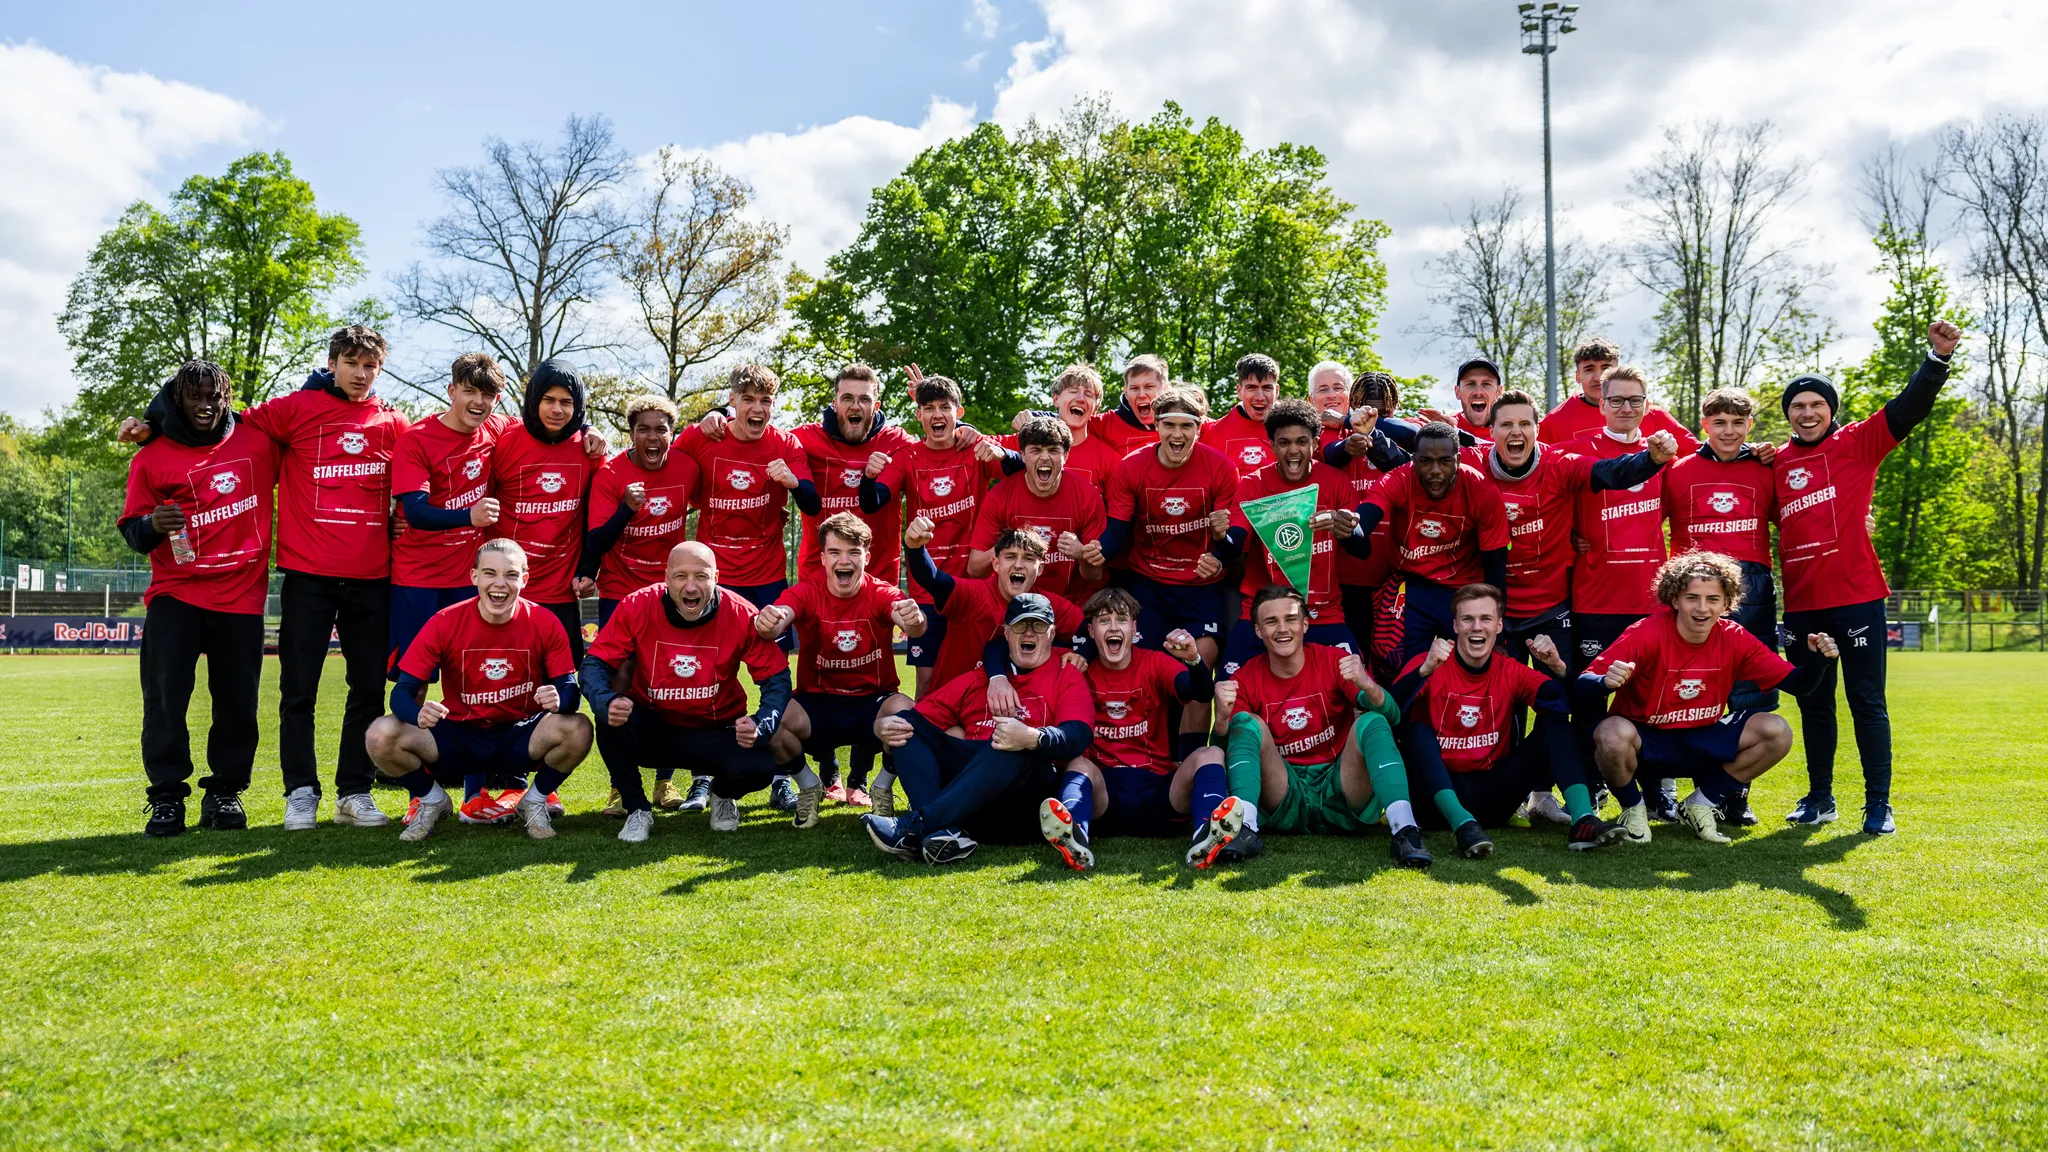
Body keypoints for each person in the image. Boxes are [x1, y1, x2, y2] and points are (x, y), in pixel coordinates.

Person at [124, 326, 413, 830]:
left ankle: (346, 793)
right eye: (351, 363)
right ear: (333, 363)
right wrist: (152, 424)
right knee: (283, 692)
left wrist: (404, 514)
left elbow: (428, 463)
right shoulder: (291, 411)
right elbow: (209, 418)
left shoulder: (389, 423)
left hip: (352, 581)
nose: (361, 374)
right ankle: (286, 792)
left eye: (371, 366)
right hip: (287, 579)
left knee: (356, 690)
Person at [1774, 319, 1962, 833]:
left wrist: (1937, 360)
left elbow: (1908, 409)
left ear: (1830, 410)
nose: (1807, 412)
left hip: (1856, 598)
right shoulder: (1775, 463)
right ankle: (1819, 798)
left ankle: (1878, 804)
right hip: (1803, 606)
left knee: (1867, 702)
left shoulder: (1859, 443)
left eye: (1816, 404)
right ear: (1789, 414)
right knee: (1813, 703)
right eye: (1798, 406)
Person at [1579, 551, 1841, 845]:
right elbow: (1583, 685)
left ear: (1727, 604)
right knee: (1611, 733)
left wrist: (1819, 660)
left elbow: (1799, 685)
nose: (1702, 608)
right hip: (1646, 744)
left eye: (1713, 599)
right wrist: (1605, 681)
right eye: (1692, 597)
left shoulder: (1734, 637)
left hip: (1703, 741)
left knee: (1777, 731)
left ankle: (1701, 803)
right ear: (1675, 600)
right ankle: (1633, 808)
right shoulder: (1646, 632)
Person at [121, 360, 280, 836]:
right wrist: (153, 525)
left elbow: (311, 419)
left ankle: (224, 794)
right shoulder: (150, 457)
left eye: (215, 396)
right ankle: (167, 798)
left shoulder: (258, 439)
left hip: (241, 598)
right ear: (178, 400)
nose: (207, 405)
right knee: (166, 700)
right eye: (196, 397)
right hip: (177, 594)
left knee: (237, 704)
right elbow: (132, 530)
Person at [365, 539, 592, 841]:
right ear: (474, 577)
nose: (500, 584)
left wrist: (559, 700)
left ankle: (534, 801)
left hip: (518, 736)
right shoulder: (444, 622)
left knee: (578, 727)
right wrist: (418, 713)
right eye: (489, 573)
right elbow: (401, 692)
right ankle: (432, 800)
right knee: (380, 734)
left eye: (511, 575)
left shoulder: (544, 622)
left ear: (525, 579)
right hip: (460, 735)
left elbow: (569, 690)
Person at [580, 542, 797, 843]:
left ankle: (722, 795)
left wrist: (761, 723)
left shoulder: (740, 613)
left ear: (716, 578)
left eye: (701, 576)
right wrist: (606, 701)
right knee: (610, 721)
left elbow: (777, 678)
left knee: (766, 759)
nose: (691, 586)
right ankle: (637, 810)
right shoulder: (637, 605)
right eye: (681, 576)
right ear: (666, 578)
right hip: (655, 728)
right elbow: (595, 664)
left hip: (716, 729)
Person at [1389, 584, 1625, 857]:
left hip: (1492, 799)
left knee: (1555, 724)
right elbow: (1388, 713)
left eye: (1486, 619)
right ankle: (1462, 825)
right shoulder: (1429, 662)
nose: (1476, 627)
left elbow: (1570, 706)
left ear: (1499, 626)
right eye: (1468, 619)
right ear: (1454, 625)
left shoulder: (1511, 670)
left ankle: (1583, 821)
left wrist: (1557, 667)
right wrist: (1423, 671)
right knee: (1417, 730)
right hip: (1434, 802)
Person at [1204, 585, 1431, 867]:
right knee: (1243, 722)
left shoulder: (1333, 661)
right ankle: (1245, 829)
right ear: (1258, 631)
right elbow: (1220, 751)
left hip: (1340, 788)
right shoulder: (1245, 677)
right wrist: (1222, 719)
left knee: (1372, 720)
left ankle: (1406, 831)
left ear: (1305, 623)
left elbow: (1393, 717)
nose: (1282, 629)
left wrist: (1367, 684)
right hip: (1284, 793)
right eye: (1271, 622)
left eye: (1290, 619)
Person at [861, 593, 1094, 865]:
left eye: (1039, 626)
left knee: (1010, 740)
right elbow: (918, 719)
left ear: (1052, 634)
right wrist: (881, 727)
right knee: (907, 727)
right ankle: (944, 834)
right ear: (1006, 633)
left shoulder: (1065, 673)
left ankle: (919, 824)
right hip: (971, 804)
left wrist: (1032, 736)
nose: (1029, 633)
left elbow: (1078, 736)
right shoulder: (982, 677)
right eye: (1020, 626)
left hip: (1026, 802)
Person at [1561, 365, 1689, 820]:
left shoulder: (1666, 455)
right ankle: (1593, 787)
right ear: (1601, 402)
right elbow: (1549, 503)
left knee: (1652, 700)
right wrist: (1571, 536)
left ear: (1648, 406)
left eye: (1635, 400)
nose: (1625, 408)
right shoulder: (1576, 452)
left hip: (1650, 601)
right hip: (1594, 598)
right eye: (1617, 399)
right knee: (1589, 699)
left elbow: (1689, 509)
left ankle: (1659, 793)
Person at [1018, 588, 1221, 870]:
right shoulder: (1075, 667)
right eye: (1103, 620)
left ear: (1134, 627)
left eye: (1121, 619)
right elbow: (1007, 653)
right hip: (1104, 795)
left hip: (1156, 790)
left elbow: (1200, 692)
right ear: (1091, 630)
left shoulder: (1154, 661)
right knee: (1079, 763)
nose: (1113, 627)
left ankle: (1207, 834)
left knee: (1209, 754)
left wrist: (1194, 660)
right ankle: (1075, 834)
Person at [1477, 388, 1672, 669]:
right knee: (1503, 702)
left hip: (1550, 609)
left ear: (1537, 429)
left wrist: (1651, 459)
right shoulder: (1473, 462)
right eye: (1506, 424)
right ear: (1491, 430)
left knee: (1558, 700)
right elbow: (1427, 457)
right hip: (1496, 608)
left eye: (1524, 424)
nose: (1516, 432)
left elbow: (1611, 472)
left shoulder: (1559, 464)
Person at [754, 513, 927, 821]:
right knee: (774, 718)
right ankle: (808, 786)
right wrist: (770, 621)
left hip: (871, 703)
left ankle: (882, 788)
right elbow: (782, 614)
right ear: (822, 557)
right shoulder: (808, 591)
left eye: (853, 552)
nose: (843, 560)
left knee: (907, 713)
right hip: (818, 704)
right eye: (835, 552)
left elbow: (910, 622)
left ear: (867, 557)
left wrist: (914, 620)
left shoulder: (880, 592)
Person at [1101, 386, 1241, 756]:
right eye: (1169, 425)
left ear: (1200, 427)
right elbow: (1116, 533)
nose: (1177, 434)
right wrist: (1092, 551)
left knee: (1202, 665)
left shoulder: (1222, 467)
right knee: (1150, 670)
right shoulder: (1131, 466)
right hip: (1148, 585)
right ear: (1156, 425)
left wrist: (1221, 553)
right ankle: (1148, 759)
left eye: (1186, 426)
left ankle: (1189, 765)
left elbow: (1234, 539)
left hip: (1202, 588)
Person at [864, 370, 1005, 697]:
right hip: (927, 592)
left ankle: (969, 745)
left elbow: (1020, 461)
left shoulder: (975, 450)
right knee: (927, 684)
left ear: (959, 413)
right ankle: (920, 746)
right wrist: (869, 478)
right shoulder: (908, 457)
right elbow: (874, 502)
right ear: (919, 415)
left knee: (977, 678)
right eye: (929, 408)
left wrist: (986, 441)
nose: (937, 414)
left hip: (973, 588)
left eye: (945, 407)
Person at [1664, 388, 1780, 756]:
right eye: (1719, 422)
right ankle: (1674, 784)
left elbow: (1801, 515)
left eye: (1737, 422)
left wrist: (1859, 520)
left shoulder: (1768, 469)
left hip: (1753, 586)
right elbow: (1641, 519)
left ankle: (1734, 792)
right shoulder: (1678, 472)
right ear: (1704, 425)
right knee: (1688, 685)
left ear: (1750, 424)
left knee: (1751, 690)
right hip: (1693, 587)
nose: (1729, 431)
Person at [387, 353, 517, 676]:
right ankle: (406, 729)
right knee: (414, 679)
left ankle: (459, 730)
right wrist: (468, 517)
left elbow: (543, 423)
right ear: (451, 391)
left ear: (496, 399)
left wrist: (586, 429)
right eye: (470, 391)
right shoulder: (416, 440)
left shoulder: (496, 429)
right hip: (419, 579)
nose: (479, 402)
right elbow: (416, 513)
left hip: (467, 580)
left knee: (470, 675)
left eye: (487, 395)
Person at [1217, 398, 1366, 677]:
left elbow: (1362, 549)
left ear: (1316, 443)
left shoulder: (1335, 481)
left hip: (1323, 613)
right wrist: (1219, 537)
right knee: (1226, 694)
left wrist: (1346, 530)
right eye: (1284, 443)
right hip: (1262, 613)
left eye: (1302, 442)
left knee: (1363, 693)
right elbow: (1234, 543)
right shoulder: (1253, 484)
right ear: (1272, 445)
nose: (1293, 450)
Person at [1354, 421, 1510, 668]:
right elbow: (1364, 522)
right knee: (1404, 668)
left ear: (1458, 460)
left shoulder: (1481, 490)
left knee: (1466, 668)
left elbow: (1495, 565)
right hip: (1414, 586)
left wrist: (1499, 634)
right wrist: (1350, 528)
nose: (1435, 470)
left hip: (1463, 590)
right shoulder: (1400, 478)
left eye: (1445, 461)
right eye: (1426, 461)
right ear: (1413, 460)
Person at [492, 358, 603, 665]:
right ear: (534, 400)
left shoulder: (590, 450)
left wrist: (587, 569)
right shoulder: (504, 442)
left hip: (561, 592)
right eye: (549, 400)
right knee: (502, 685)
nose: (557, 410)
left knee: (562, 693)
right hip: (507, 589)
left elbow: (599, 519)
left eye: (567, 402)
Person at [968, 416, 1107, 601]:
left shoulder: (1087, 496)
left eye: (1053, 450)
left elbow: (1095, 575)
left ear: (1066, 455)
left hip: (1070, 602)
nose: (1044, 457)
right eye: (1036, 450)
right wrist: (1008, 545)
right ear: (1023, 455)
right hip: (1014, 604)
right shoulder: (1000, 495)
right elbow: (975, 568)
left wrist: (1082, 554)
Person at [1539, 337, 1701, 449]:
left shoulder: (1654, 415)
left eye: (1606, 368)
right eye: (1589, 369)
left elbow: (1697, 457)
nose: (1599, 377)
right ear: (1577, 376)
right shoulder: (1554, 422)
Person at [1200, 353, 1283, 476]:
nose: (1260, 397)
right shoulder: (1213, 433)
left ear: (1276, 391)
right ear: (1239, 391)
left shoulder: (1295, 429)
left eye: (1267, 388)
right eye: (1251, 387)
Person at [1091, 354, 1168, 453]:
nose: (1141, 395)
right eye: (1134, 388)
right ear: (1126, 392)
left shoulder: (1184, 424)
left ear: (1165, 390)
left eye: (1149, 386)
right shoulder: (1104, 425)